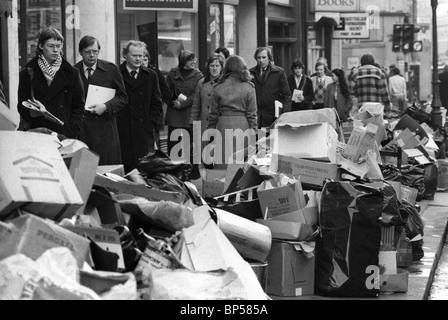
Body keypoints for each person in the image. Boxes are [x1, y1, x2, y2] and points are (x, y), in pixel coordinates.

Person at [17, 27, 85, 139]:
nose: (55, 50)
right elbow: (21, 105)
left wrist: (72, 131)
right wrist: (33, 113)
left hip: (63, 135)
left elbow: (79, 106)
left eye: (58, 46)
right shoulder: (28, 73)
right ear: (41, 46)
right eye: (51, 46)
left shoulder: (72, 73)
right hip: (36, 133)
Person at [75, 35, 128, 166]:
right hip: (83, 129)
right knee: (85, 169)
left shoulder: (111, 69)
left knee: (106, 169)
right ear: (80, 52)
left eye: (95, 51)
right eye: (87, 52)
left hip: (105, 128)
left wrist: (106, 106)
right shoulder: (73, 71)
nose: (92, 55)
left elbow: (123, 97)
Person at [118, 41, 163, 174]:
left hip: (144, 133)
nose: (138, 59)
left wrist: (151, 125)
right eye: (134, 55)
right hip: (123, 132)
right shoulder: (116, 73)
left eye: (141, 55)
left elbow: (157, 103)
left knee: (145, 171)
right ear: (125, 55)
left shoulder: (151, 75)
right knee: (126, 172)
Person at [207, 55, 258, 170]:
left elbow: (213, 114)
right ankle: (239, 185)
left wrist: (210, 133)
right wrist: (254, 134)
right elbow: (252, 114)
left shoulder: (218, 87)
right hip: (242, 125)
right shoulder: (249, 87)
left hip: (224, 125)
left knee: (223, 160)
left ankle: (221, 183)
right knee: (240, 163)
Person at [165, 50, 204, 180]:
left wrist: (183, 104)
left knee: (190, 146)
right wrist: (171, 101)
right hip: (174, 115)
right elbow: (165, 91)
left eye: (195, 59)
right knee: (174, 145)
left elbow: (197, 96)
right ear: (183, 62)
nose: (194, 62)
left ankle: (190, 173)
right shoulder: (172, 74)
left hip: (190, 115)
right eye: (190, 60)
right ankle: (175, 173)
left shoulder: (198, 75)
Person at [190, 54, 225, 166]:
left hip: (219, 124)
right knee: (204, 157)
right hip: (203, 124)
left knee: (217, 155)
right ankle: (207, 180)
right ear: (208, 67)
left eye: (217, 65)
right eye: (212, 65)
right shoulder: (201, 83)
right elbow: (196, 104)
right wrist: (193, 122)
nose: (214, 68)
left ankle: (215, 181)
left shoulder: (225, 83)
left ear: (222, 67)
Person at [249, 47, 291, 129]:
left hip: (273, 117)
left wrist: (283, 113)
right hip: (255, 117)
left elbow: (287, 95)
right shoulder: (250, 73)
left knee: (270, 141)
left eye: (264, 57)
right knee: (256, 140)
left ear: (269, 58)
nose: (261, 60)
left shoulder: (279, 72)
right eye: (259, 57)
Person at [142, 49, 171, 150]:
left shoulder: (154, 73)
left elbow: (165, 92)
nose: (142, 62)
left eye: (145, 59)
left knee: (154, 144)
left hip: (152, 115)